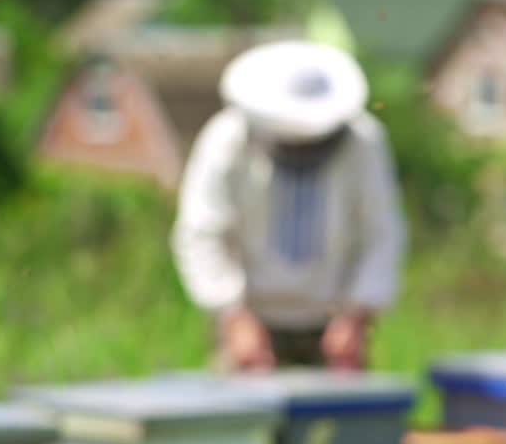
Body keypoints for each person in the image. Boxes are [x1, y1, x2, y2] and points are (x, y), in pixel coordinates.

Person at [172, 40, 406, 372]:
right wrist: (233, 315)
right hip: (250, 321)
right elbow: (201, 233)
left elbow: (382, 233)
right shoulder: (226, 141)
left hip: (336, 326)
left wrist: (356, 317)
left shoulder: (364, 143)